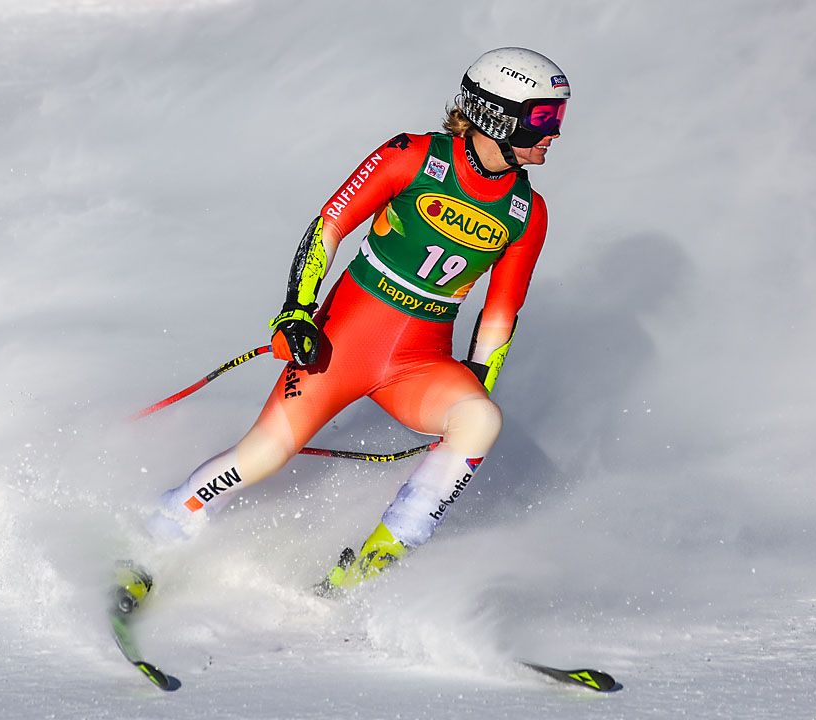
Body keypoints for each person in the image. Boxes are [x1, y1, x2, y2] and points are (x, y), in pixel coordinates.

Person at [141, 46, 570, 599]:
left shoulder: (528, 212)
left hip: (419, 362)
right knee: (266, 455)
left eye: (556, 117)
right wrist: (297, 310)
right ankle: (158, 533)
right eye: (543, 118)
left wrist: (479, 375)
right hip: (340, 345)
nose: (554, 133)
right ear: (495, 114)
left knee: (479, 419)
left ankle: (368, 569)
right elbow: (329, 226)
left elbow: (500, 313)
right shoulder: (411, 155)